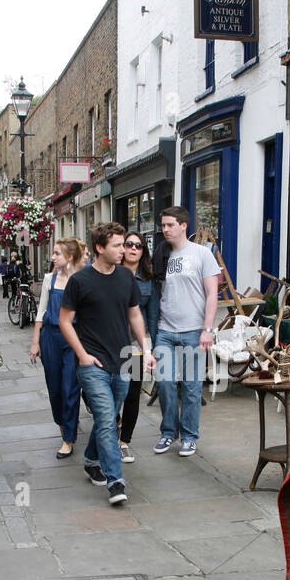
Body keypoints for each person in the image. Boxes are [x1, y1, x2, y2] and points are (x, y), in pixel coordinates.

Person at [58, 223, 155, 505]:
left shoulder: (126, 277)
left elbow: (135, 315)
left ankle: (91, 459)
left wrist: (145, 349)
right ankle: (115, 481)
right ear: (100, 248)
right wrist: (82, 355)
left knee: (108, 418)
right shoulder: (80, 281)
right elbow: (65, 321)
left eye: (124, 244)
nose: (124, 250)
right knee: (105, 418)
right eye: (117, 245)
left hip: (124, 360)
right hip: (92, 363)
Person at [152, 206, 220, 457]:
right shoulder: (161, 254)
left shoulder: (202, 254)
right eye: (163, 225)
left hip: (194, 330)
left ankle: (189, 436)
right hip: (165, 329)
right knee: (165, 383)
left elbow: (212, 293)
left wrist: (208, 329)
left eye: (170, 225)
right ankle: (169, 432)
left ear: (183, 225)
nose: (165, 229)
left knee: (192, 386)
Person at [30, 238, 85, 458]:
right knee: (55, 389)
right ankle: (63, 425)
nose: (52, 257)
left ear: (70, 257)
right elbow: (41, 312)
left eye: (57, 253)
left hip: (73, 338)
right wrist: (35, 342)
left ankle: (68, 438)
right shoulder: (49, 279)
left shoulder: (81, 280)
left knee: (70, 388)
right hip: (50, 337)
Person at [117, 232, 159, 463]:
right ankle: (113, 423)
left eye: (138, 246)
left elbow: (151, 316)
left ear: (143, 251)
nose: (133, 248)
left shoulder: (148, 280)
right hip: (110, 340)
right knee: (107, 390)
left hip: (135, 343)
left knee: (132, 392)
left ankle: (124, 442)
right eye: (129, 244)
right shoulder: (111, 273)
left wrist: (150, 348)